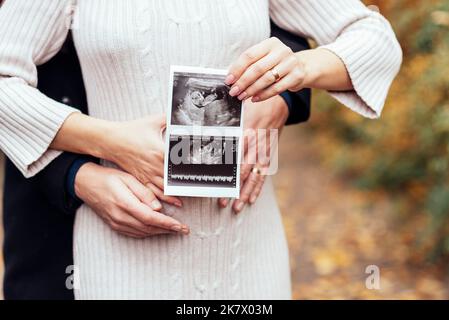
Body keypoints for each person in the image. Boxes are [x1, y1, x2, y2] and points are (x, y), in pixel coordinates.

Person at [0, 0, 401, 299]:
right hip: (123, 254)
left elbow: (375, 38)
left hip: (248, 256)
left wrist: (300, 69)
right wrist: (111, 141)